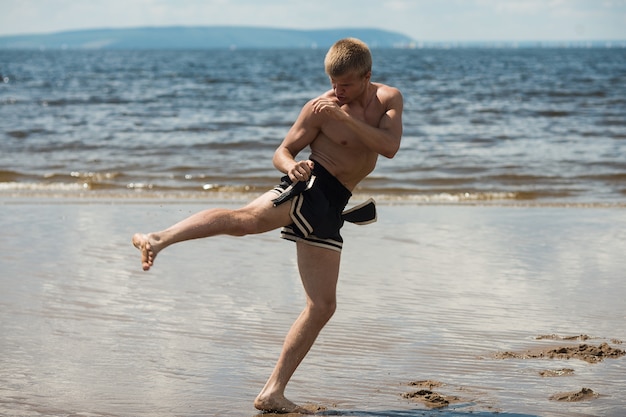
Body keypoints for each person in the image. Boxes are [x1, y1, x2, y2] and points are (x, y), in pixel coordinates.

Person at [132, 37, 403, 414]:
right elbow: (283, 150)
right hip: (310, 183)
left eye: (345, 85)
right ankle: (159, 238)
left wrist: (343, 117)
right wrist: (289, 165)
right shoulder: (319, 108)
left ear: (367, 77)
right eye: (332, 83)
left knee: (322, 306)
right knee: (247, 220)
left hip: (334, 203)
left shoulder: (388, 99)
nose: (336, 92)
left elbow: (389, 146)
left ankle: (272, 392)